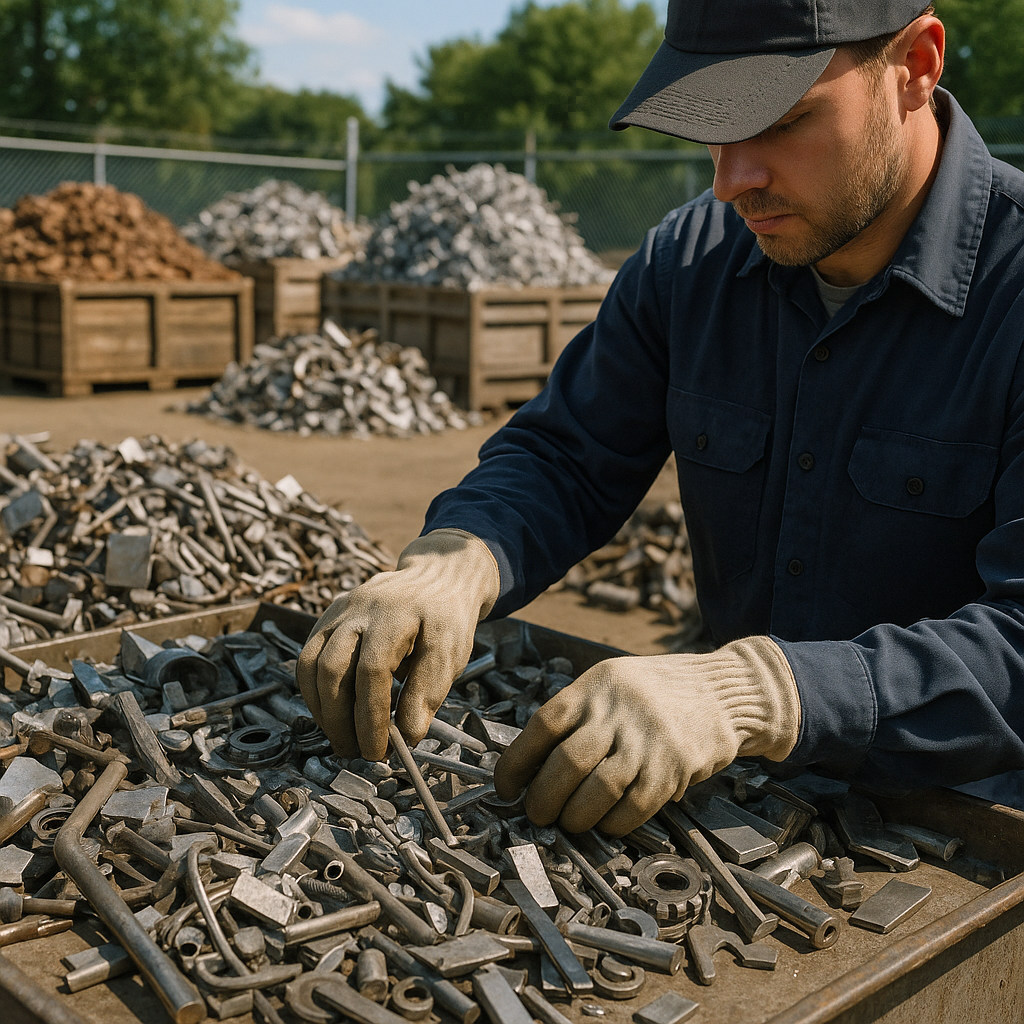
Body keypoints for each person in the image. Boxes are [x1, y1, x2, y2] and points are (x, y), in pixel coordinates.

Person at [297, 0, 1024, 835]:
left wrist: (758, 693)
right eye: (713, 128)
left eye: (785, 121)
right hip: (744, 803)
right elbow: (568, 454)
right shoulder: (693, 261)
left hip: (977, 826)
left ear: (918, 66)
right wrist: (458, 561)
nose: (732, 180)